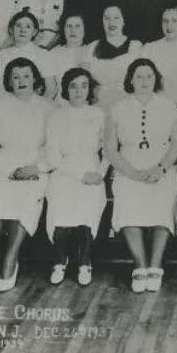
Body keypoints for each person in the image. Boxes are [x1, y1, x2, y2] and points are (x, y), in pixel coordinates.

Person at [0, 57, 53, 292]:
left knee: (26, 199)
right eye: (16, 77)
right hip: (4, 167)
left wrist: (37, 168)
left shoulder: (49, 108)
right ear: (9, 81)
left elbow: (55, 146)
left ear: (35, 79)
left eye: (26, 76)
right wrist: (8, 170)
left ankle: (10, 259)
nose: (21, 81)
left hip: (35, 168)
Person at [104, 59, 177, 293]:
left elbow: (176, 145)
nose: (144, 81)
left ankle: (155, 266)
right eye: (139, 76)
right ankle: (140, 265)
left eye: (149, 76)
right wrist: (131, 172)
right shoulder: (117, 108)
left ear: (156, 79)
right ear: (130, 80)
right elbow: (110, 149)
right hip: (128, 164)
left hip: (162, 165)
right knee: (126, 197)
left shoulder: (169, 106)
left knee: (165, 197)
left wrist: (161, 169)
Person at [45, 68, 108, 287]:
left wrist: (99, 173)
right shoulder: (56, 115)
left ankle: (84, 261)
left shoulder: (99, 114)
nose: (79, 91)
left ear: (90, 89)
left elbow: (108, 151)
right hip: (63, 170)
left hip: (91, 169)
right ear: (66, 89)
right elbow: (52, 155)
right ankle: (60, 260)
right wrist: (80, 175)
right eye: (73, 86)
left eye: (84, 85)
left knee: (87, 207)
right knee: (60, 208)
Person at [82, 5, 142, 112]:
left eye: (116, 17)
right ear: (102, 22)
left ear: (123, 21)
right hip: (98, 107)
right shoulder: (92, 47)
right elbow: (83, 80)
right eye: (107, 18)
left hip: (129, 107)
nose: (111, 22)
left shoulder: (136, 46)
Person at [0, 10, 56, 99]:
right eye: (18, 26)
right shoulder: (2, 55)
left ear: (34, 32)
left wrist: (40, 109)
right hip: (7, 104)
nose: (23, 30)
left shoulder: (43, 54)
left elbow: (51, 89)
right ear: (11, 29)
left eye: (28, 27)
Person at [48, 12, 90, 99]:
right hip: (61, 104)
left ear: (85, 28)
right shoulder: (54, 53)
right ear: (63, 29)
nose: (73, 30)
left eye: (77, 26)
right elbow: (51, 90)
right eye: (69, 26)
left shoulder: (91, 51)